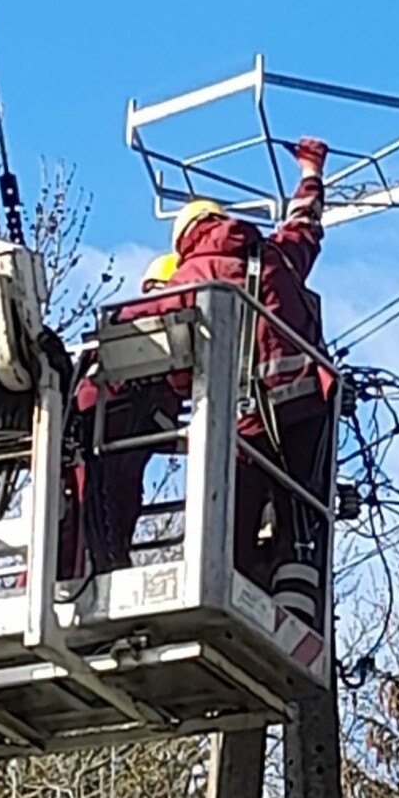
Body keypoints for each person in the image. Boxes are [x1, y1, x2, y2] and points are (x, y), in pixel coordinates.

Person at [119, 140, 334, 623]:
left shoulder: (189, 279)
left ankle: (238, 607)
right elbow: (306, 224)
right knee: (300, 519)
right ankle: (297, 615)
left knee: (232, 521)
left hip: (243, 425)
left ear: (186, 239)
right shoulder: (275, 254)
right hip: (304, 409)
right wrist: (310, 169)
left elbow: (152, 344)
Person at [60, 254, 181, 577]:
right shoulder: (156, 329)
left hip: (108, 445)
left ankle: (97, 569)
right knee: (85, 519)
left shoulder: (128, 325)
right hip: (104, 445)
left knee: (74, 520)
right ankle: (98, 571)